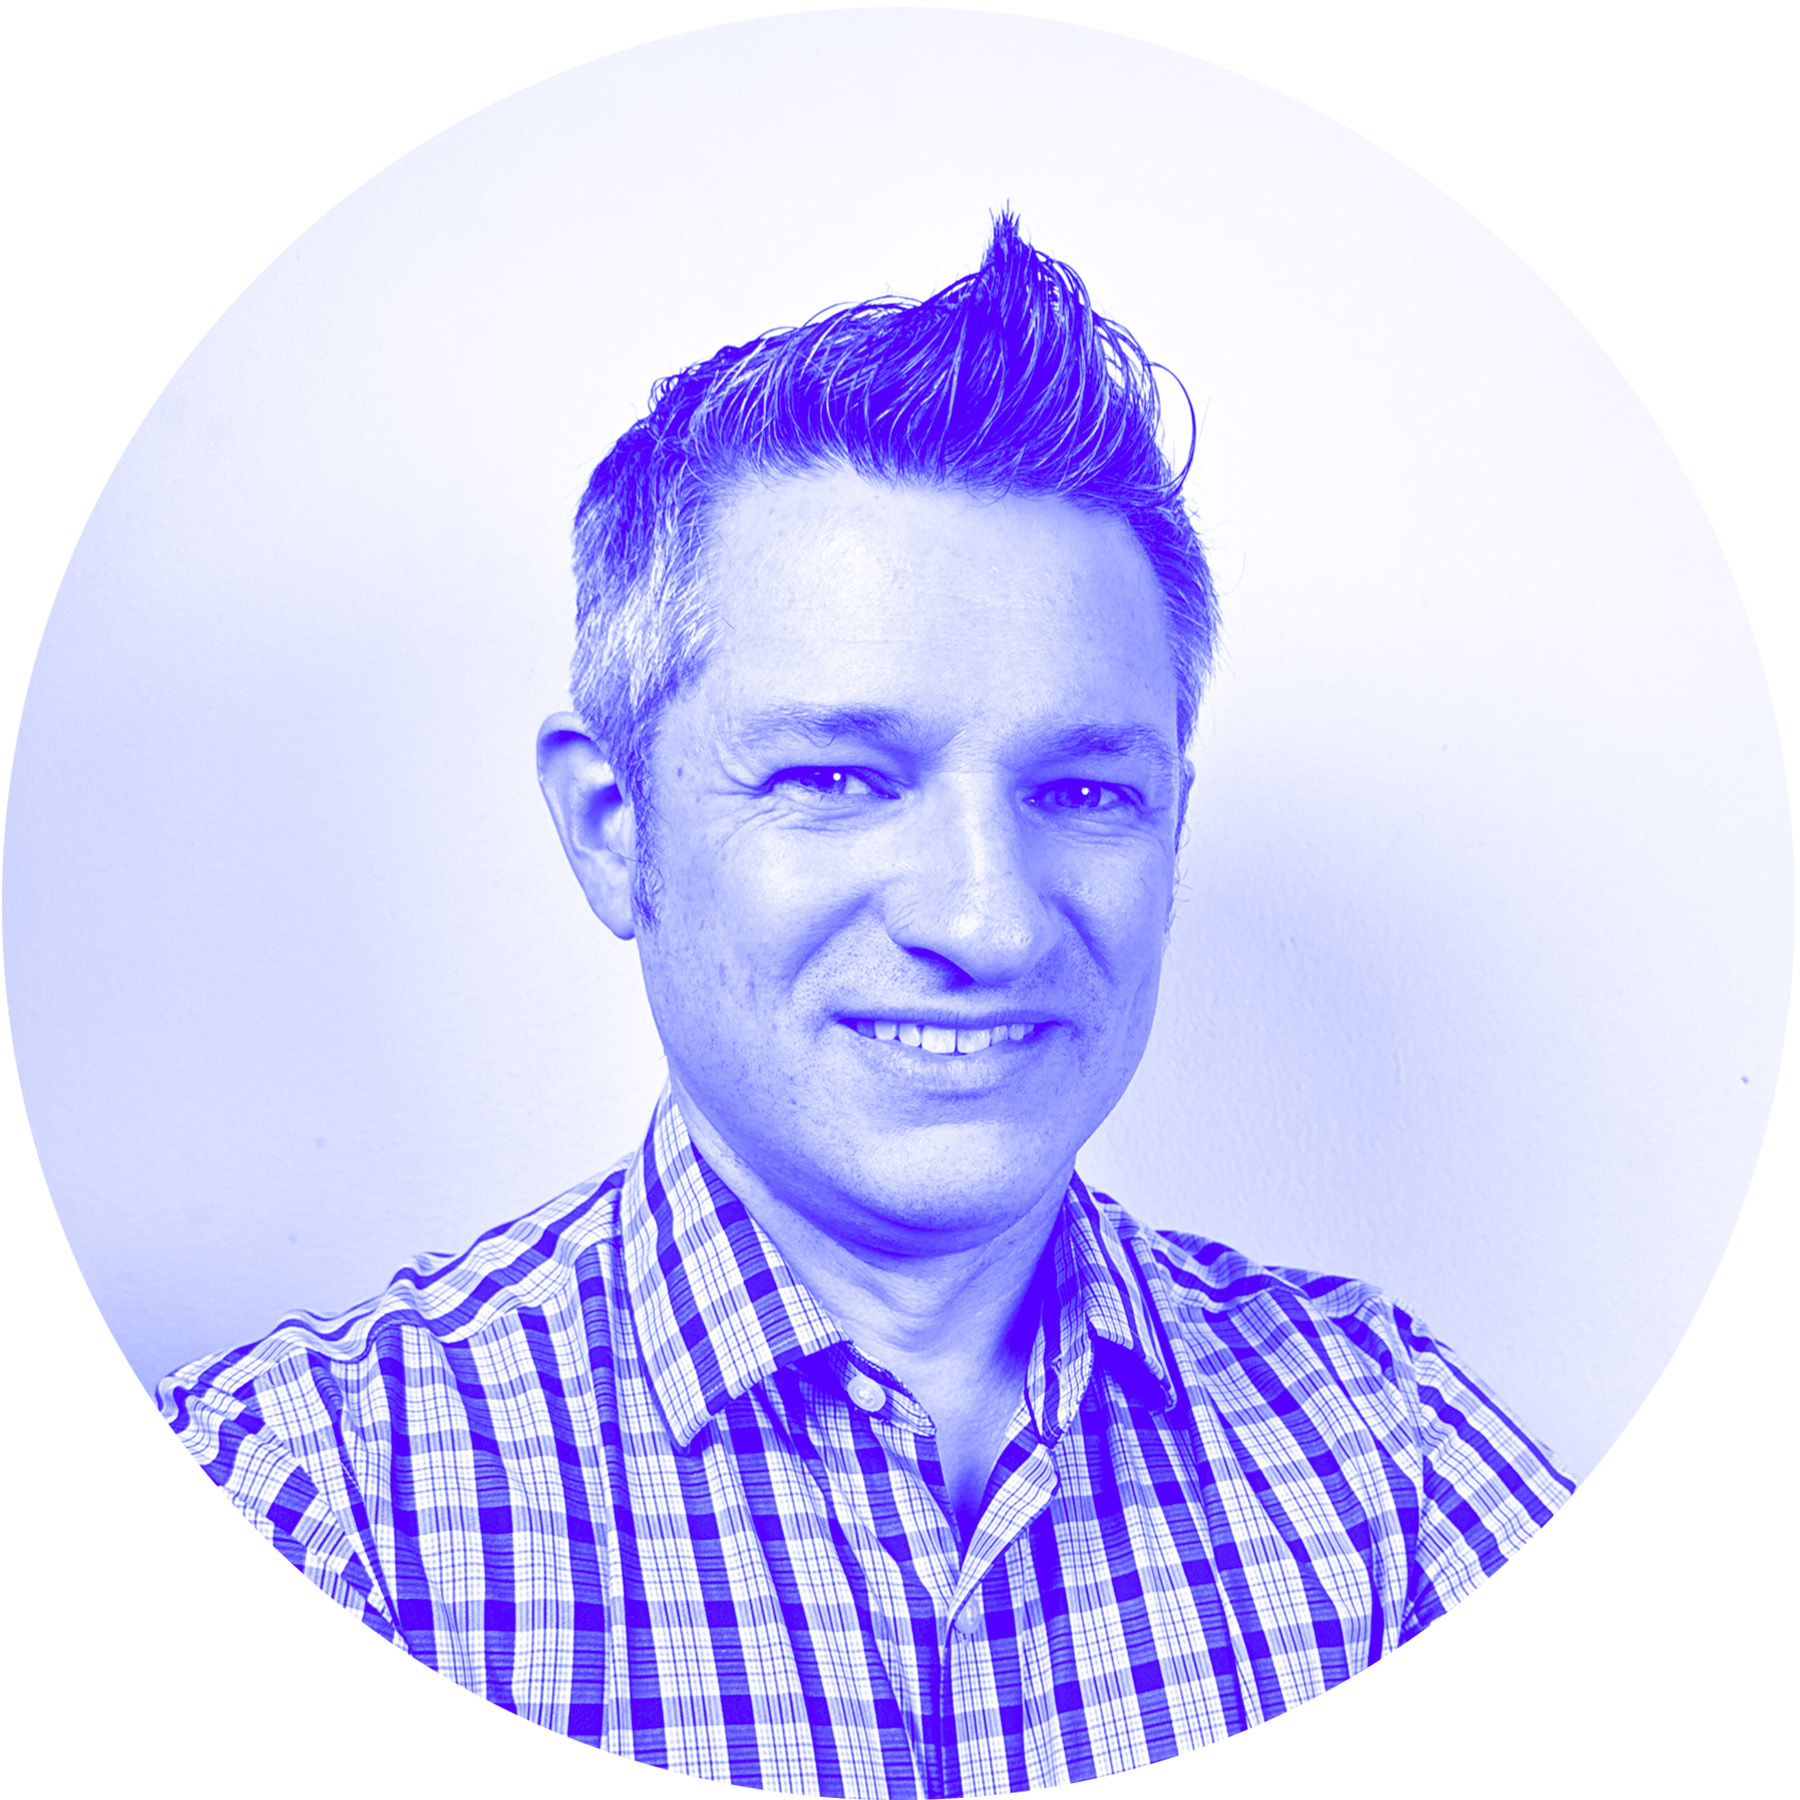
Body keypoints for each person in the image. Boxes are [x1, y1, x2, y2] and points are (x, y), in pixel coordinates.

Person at [159, 215, 1572, 1797]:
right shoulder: (310, 1511)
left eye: (1083, 789)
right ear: (614, 828)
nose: (986, 919)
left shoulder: (1388, 1457)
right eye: (839, 777)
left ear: (1173, 826)